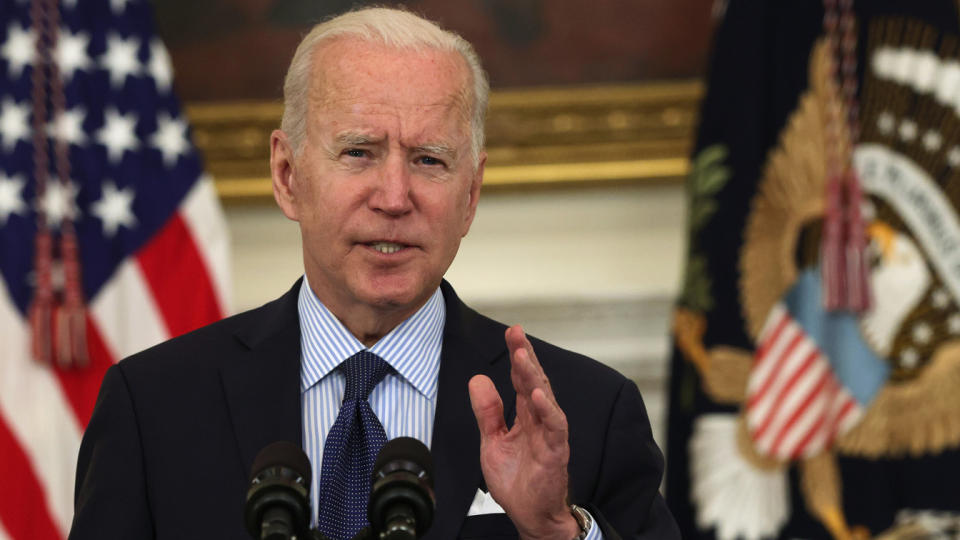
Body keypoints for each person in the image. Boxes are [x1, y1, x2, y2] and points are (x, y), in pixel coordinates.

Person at [70, 7, 678, 540]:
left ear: (470, 196)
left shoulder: (584, 411)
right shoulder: (153, 408)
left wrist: (555, 534)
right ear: (287, 175)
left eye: (429, 160)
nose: (393, 196)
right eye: (358, 152)